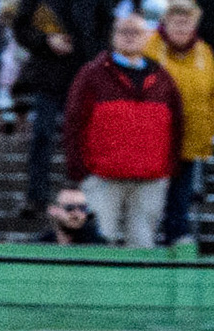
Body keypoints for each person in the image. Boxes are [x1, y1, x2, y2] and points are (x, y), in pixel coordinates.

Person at [63, 11, 183, 249]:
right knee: (98, 242)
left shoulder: (162, 78)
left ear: (148, 37)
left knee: (142, 244)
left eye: (136, 32)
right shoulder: (92, 74)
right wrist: (79, 168)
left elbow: (177, 125)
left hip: (150, 179)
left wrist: (169, 167)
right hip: (102, 177)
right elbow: (74, 121)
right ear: (113, 36)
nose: (129, 37)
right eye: (123, 32)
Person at [11, 0, 109, 217]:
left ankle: (86, 198)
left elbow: (105, 28)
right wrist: (46, 41)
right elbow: (21, 27)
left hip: (84, 75)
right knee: (42, 136)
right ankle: (36, 197)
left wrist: (88, 52)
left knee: (85, 140)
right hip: (49, 75)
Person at [147, 0, 214, 245]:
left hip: (189, 145)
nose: (181, 26)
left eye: (187, 21)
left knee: (179, 207)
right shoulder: (149, 48)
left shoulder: (205, 52)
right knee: (149, 206)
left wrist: (206, 134)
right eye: (176, 21)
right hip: (153, 146)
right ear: (165, 22)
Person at [36, 184, 103, 242]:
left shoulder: (99, 247)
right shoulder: (39, 247)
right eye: (69, 207)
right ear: (53, 210)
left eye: (82, 208)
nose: (77, 213)